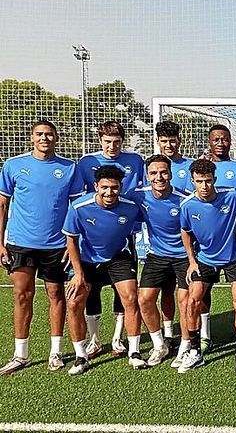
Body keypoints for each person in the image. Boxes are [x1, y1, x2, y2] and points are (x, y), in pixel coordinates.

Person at [0, 120, 82, 374]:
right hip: (20, 244)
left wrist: (72, 245)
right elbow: (2, 205)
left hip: (56, 246)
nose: (44, 138)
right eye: (39, 134)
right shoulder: (14, 165)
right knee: (22, 296)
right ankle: (20, 354)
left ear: (57, 138)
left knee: (56, 296)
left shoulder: (69, 168)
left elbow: (75, 210)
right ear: (31, 137)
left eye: (49, 134)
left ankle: (55, 352)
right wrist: (0, 244)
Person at [62, 165, 146, 375]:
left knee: (131, 298)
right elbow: (71, 239)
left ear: (121, 187)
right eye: (105, 187)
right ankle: (81, 356)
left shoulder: (131, 207)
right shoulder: (80, 206)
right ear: (95, 186)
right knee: (73, 302)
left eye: (115, 188)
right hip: (87, 260)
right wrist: (78, 273)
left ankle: (134, 352)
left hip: (118, 257)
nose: (110, 192)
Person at [77, 121, 145, 360]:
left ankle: (117, 338)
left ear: (122, 141)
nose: (112, 146)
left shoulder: (135, 161)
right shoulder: (87, 162)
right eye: (107, 141)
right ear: (100, 141)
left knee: (125, 290)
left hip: (124, 233)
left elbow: (142, 191)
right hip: (93, 235)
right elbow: (78, 196)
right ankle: (94, 340)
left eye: (117, 141)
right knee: (91, 290)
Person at [179, 159, 236, 373]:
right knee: (192, 301)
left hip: (235, 256)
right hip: (205, 258)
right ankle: (195, 351)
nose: (204, 186)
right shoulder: (187, 205)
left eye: (209, 181)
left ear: (215, 179)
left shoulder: (234, 194)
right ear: (192, 181)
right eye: (200, 181)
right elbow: (185, 231)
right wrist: (192, 262)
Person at [130, 155, 189, 367]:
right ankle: (159, 344)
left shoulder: (184, 199)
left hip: (183, 256)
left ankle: (185, 347)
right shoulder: (138, 196)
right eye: (154, 173)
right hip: (157, 255)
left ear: (171, 174)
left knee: (185, 302)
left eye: (163, 172)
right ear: (147, 176)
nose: (159, 177)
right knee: (144, 299)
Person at [153, 121, 192, 344]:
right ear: (158, 141)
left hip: (187, 241)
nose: (169, 144)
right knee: (164, 291)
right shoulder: (151, 165)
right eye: (164, 141)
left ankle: (196, 335)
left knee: (187, 294)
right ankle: (168, 333)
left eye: (172, 140)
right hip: (161, 245)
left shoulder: (191, 165)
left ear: (179, 140)